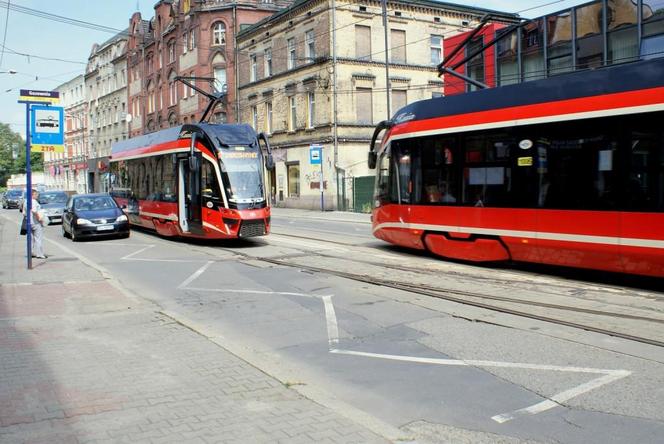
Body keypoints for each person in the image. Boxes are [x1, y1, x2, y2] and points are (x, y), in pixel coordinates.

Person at [24, 189, 46, 259]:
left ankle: (30, 253)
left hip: (28, 222)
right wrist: (39, 218)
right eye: (36, 194)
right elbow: (34, 211)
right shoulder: (33, 201)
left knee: (30, 239)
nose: (37, 196)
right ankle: (40, 254)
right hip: (35, 222)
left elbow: (24, 213)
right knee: (38, 238)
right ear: (32, 194)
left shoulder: (25, 201)